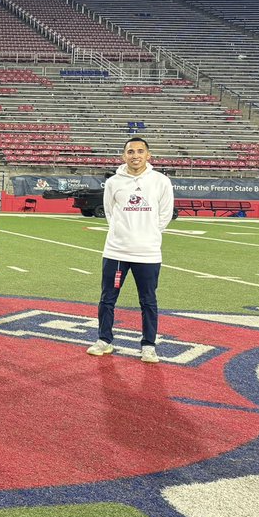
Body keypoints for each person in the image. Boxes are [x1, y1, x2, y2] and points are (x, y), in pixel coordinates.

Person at [87, 137, 174, 364]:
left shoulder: (161, 181)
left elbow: (165, 215)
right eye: (131, 151)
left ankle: (148, 346)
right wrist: (122, 233)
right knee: (107, 298)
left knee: (148, 301)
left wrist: (148, 234)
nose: (135, 155)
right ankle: (104, 340)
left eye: (140, 151)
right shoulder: (114, 182)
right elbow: (110, 212)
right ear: (123, 155)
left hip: (148, 253)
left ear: (148, 155)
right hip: (116, 252)